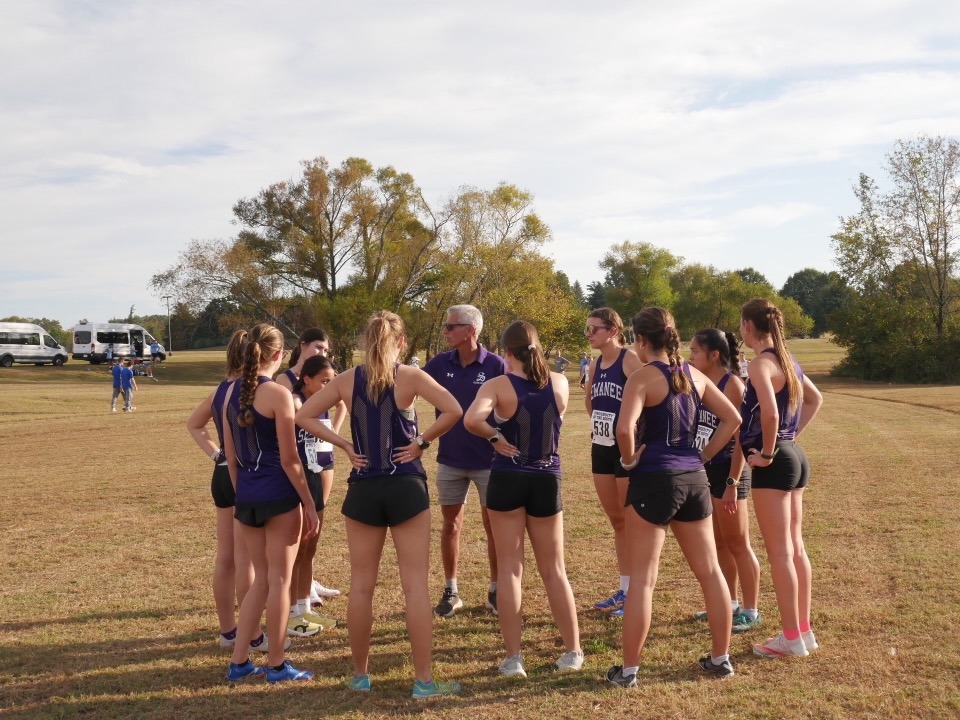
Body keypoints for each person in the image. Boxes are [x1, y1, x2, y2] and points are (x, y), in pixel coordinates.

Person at [295, 310, 463, 698]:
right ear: (400, 342)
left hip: (365, 489)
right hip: (405, 486)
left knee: (361, 587)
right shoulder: (410, 376)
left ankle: (360, 675)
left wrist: (343, 444)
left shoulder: (346, 379)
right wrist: (422, 442)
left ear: (366, 342)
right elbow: (454, 409)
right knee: (415, 586)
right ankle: (423, 680)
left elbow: (303, 414)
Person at [607, 307, 741, 687]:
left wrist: (630, 461)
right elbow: (733, 418)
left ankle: (629, 670)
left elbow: (623, 429)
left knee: (644, 580)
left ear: (641, 340)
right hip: (695, 480)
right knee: (711, 572)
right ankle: (721, 658)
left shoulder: (642, 377)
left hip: (654, 480)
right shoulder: (694, 375)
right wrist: (704, 455)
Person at [464, 320, 583, 678]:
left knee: (511, 570)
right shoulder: (559, 382)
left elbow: (473, 419)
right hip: (547, 478)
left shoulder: (497, 384)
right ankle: (573, 650)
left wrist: (495, 438)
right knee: (554, 570)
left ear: (506, 353)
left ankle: (514, 658)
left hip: (508, 478)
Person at [222, 323, 319, 683]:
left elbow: (231, 459)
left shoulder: (229, 393)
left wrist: (244, 494)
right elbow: (291, 461)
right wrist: (309, 502)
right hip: (279, 494)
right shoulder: (277, 394)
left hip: (247, 495)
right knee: (279, 581)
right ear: (279, 355)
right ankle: (276, 664)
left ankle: (240, 661)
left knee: (261, 580)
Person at [739, 299, 823, 659]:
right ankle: (803, 632)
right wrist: (790, 441)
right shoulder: (787, 359)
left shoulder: (761, 363)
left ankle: (791, 638)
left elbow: (770, 415)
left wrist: (770, 452)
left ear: (747, 326)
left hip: (776, 462)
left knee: (781, 553)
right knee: (795, 548)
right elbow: (815, 400)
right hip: (795, 458)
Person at [422, 304, 506, 618]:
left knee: (493, 527)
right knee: (450, 526)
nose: (445, 331)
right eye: (446, 326)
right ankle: (451, 590)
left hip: (489, 460)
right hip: (451, 459)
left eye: (451, 326)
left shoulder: (497, 365)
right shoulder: (438, 364)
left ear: (470, 330)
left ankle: (496, 590)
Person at [688, 328, 762, 633]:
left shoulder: (731, 384)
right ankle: (728, 603)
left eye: (694, 351)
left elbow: (739, 441)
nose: (689, 356)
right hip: (707, 470)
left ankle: (751, 609)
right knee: (718, 543)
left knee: (738, 543)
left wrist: (732, 484)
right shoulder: (700, 381)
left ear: (714, 355)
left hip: (729, 472)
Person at [187, 330, 255, 651]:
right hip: (243, 475)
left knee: (225, 557)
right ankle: (252, 635)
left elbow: (194, 424)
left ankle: (228, 631)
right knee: (246, 561)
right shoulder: (252, 389)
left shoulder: (220, 390)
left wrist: (216, 454)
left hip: (222, 473)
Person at [276, 327, 344, 604]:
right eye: (318, 347)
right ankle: (296, 597)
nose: (322, 353)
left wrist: (330, 436)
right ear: (302, 345)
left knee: (315, 527)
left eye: (326, 349)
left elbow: (340, 404)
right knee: (302, 532)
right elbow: (284, 422)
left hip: (321, 460)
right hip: (300, 462)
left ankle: (307, 587)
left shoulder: (323, 377)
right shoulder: (286, 381)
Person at [583, 308, 643, 617]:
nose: (590, 334)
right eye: (588, 329)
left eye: (594, 329)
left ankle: (636, 593)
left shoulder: (629, 359)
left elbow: (648, 397)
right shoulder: (595, 363)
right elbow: (589, 399)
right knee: (617, 521)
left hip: (626, 448)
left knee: (632, 522)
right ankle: (624, 588)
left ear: (613, 331)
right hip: (601, 445)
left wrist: (632, 431)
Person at [288, 355, 340, 632]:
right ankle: (292, 616)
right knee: (296, 549)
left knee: (310, 546)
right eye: (323, 381)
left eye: (331, 382)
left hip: (318, 472)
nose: (328, 387)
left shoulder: (324, 403)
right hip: (298, 479)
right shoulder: (295, 399)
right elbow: (298, 415)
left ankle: (305, 609)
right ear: (306, 379)